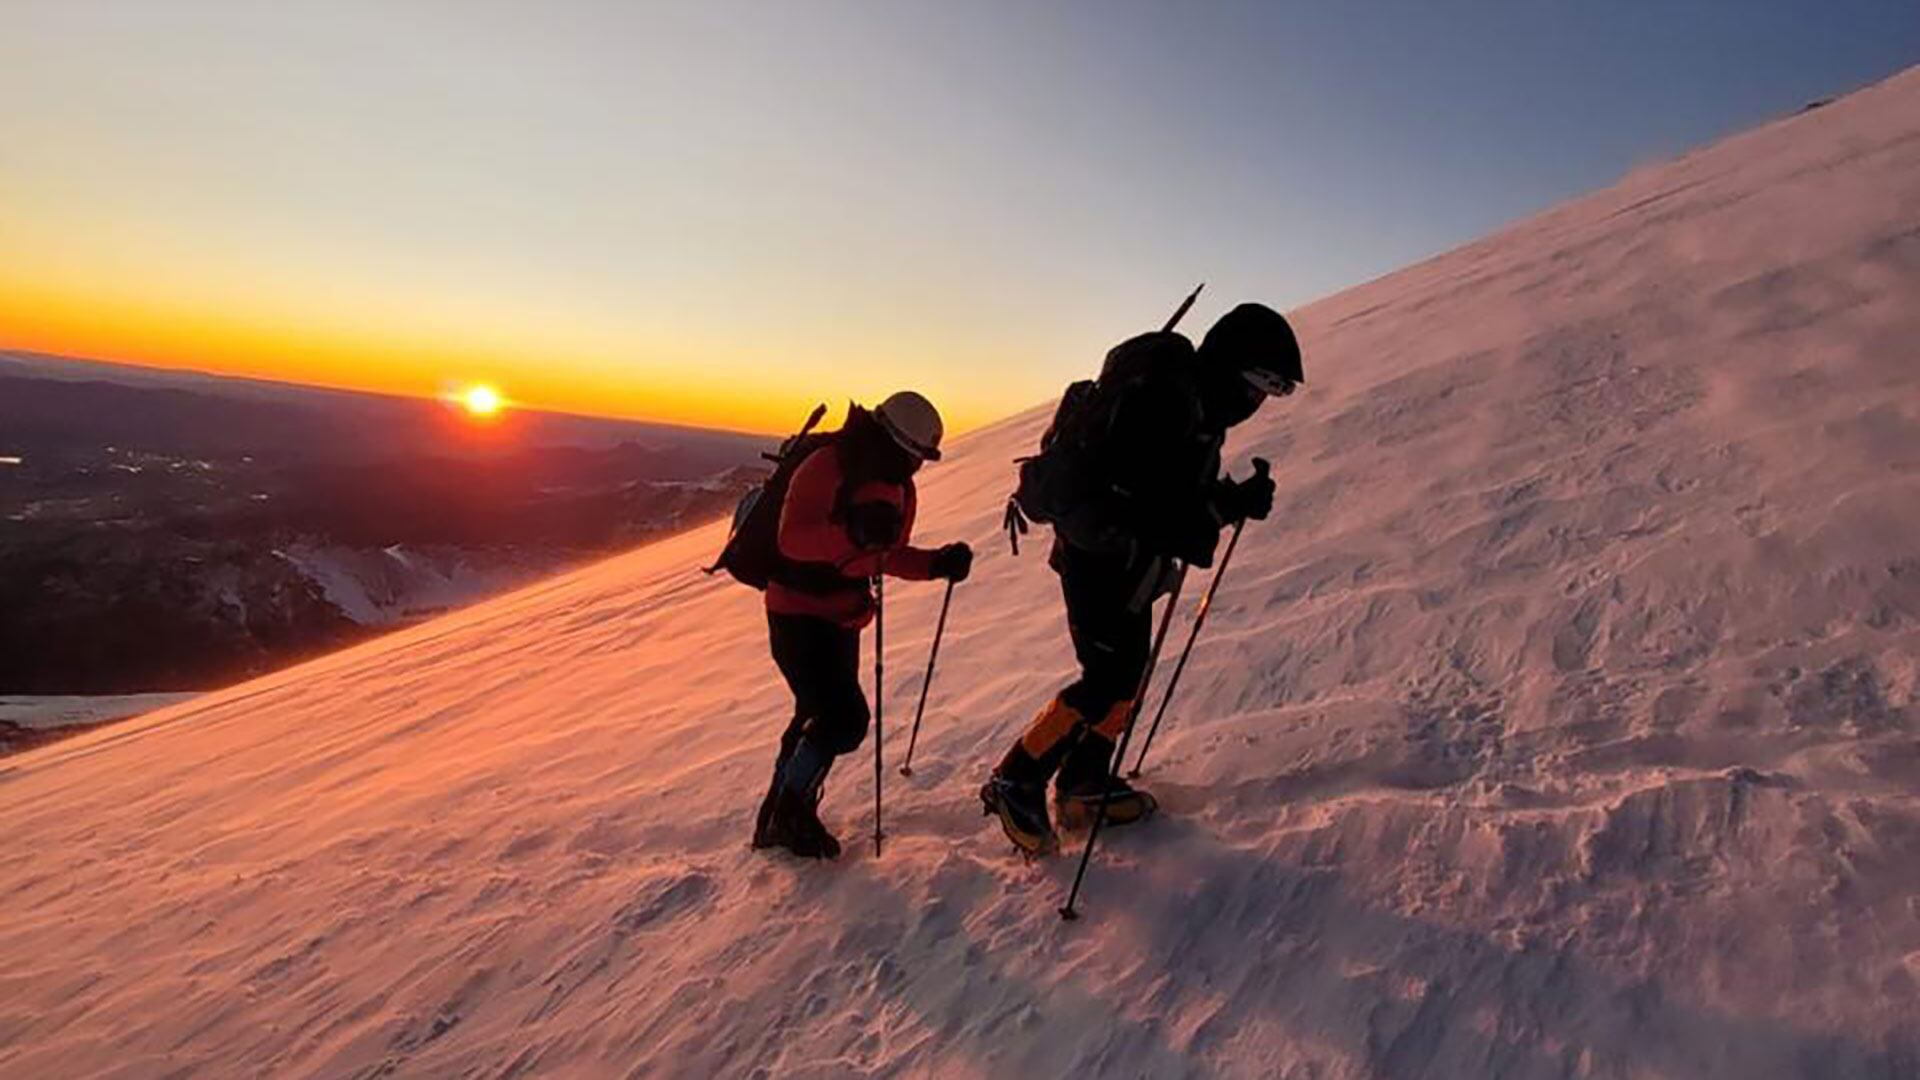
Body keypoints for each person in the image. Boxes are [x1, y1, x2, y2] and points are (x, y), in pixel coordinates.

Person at [982, 303, 1303, 855]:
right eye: (1258, 385)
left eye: (1270, 393)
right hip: (1096, 556)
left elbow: (1172, 499)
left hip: (1124, 560)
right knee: (1106, 678)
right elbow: (1152, 507)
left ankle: (1084, 781)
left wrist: (1230, 501)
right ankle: (1018, 776)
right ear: (1230, 365)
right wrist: (1224, 508)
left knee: (1127, 674)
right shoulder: (1166, 402)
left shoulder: (1195, 405)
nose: (1256, 402)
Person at [753, 391, 974, 859]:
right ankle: (790, 812)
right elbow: (791, 540)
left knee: (814, 713)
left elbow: (883, 556)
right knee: (844, 719)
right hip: (795, 613)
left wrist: (936, 564)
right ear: (894, 440)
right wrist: (851, 534)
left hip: (842, 618)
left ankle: (780, 810)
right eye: (916, 454)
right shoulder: (828, 466)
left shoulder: (897, 487)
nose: (917, 465)